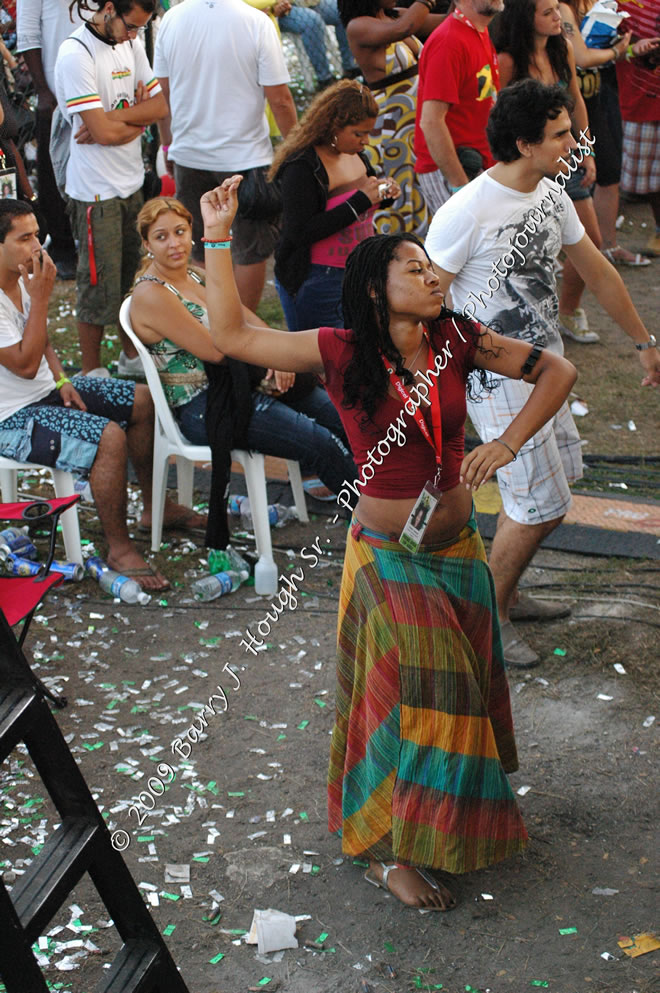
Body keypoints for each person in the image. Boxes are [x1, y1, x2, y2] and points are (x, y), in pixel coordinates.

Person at [197, 174, 581, 911]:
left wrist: (506, 443)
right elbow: (232, 335)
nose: (433, 276)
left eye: (432, 267)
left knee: (456, 693)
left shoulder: (459, 339)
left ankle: (440, 823)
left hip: (458, 550)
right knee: (411, 696)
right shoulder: (341, 349)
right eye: (415, 267)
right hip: (387, 558)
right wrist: (218, 235)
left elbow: (557, 370)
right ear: (376, 289)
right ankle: (384, 850)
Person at [425, 80, 660, 667]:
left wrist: (643, 341)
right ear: (526, 143)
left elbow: (598, 271)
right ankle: (490, 618)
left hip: (547, 369)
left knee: (540, 498)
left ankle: (507, 592)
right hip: (497, 381)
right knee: (540, 506)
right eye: (561, 134)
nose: (575, 141)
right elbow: (427, 304)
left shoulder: (552, 195)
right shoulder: (466, 212)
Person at [0, 200, 206, 592]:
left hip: (45, 393)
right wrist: (42, 296)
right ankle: (119, 548)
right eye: (23, 239)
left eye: (36, 237)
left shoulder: (21, 279)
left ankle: (153, 508)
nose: (36, 249)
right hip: (10, 417)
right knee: (107, 436)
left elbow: (40, 342)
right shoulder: (23, 286)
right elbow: (25, 364)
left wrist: (62, 381)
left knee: (142, 398)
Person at [129, 196, 358, 548]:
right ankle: (372, 527)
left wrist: (281, 355)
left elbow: (242, 315)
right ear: (146, 244)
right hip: (202, 405)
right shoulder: (152, 295)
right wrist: (271, 362)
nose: (174, 243)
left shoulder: (194, 273)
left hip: (239, 380)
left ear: (192, 232)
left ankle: (389, 499)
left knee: (345, 416)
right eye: (161, 237)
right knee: (321, 443)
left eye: (179, 231)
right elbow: (217, 348)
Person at [153, 0, 297, 312]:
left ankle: (211, 325)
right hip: (245, 157)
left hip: (190, 153)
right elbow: (281, 100)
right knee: (251, 249)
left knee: (200, 248)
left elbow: (162, 96)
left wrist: (168, 145)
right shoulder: (256, 22)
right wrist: (297, 150)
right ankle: (241, 331)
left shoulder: (171, 19)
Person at [53, 0, 167, 378]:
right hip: (94, 192)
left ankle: (131, 357)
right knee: (97, 286)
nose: (135, 35)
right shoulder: (76, 53)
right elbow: (98, 133)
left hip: (131, 180)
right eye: (130, 25)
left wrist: (115, 117)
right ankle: (92, 372)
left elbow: (161, 105)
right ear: (108, 9)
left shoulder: (132, 44)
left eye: (141, 28)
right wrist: (137, 118)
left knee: (132, 280)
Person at [493, 0, 602, 344]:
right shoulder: (508, 60)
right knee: (525, 249)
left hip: (565, 157)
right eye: (548, 12)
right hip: (526, 164)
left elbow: (576, 101)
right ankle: (529, 319)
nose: (559, 17)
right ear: (527, 19)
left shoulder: (562, 49)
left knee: (591, 240)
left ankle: (568, 309)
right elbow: (499, 116)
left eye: (557, 8)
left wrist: (586, 150)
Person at [270, 79, 400, 331]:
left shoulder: (356, 154)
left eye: (368, 133)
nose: (365, 141)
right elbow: (300, 231)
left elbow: (361, 205)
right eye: (358, 134)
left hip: (359, 271)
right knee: (322, 360)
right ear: (333, 126)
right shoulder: (302, 166)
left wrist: (383, 195)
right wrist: (360, 201)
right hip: (319, 279)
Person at [559, 0, 658, 266]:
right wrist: (617, 52)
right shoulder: (562, 8)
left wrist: (628, 50)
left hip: (595, 96)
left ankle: (608, 246)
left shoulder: (597, 3)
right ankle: (568, 252)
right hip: (566, 101)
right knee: (567, 179)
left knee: (610, 172)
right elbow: (582, 57)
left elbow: (600, 53)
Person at [338, 0, 444, 237]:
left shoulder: (397, 15)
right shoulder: (359, 27)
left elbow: (449, 22)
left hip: (416, 123)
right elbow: (403, 29)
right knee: (399, 197)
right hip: (391, 128)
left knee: (422, 191)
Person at [413, 0, 500, 216]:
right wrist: (460, 186)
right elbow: (431, 122)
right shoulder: (449, 41)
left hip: (476, 162)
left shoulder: (477, 31)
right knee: (471, 248)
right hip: (452, 169)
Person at [16, 0, 82, 281]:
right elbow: (28, 35)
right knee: (52, 168)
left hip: (94, 84)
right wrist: (43, 91)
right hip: (55, 92)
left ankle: (90, 241)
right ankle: (64, 245)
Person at [613, 0, 660, 258]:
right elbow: (598, 47)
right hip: (640, 99)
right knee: (649, 179)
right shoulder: (619, 5)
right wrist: (632, 49)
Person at [277, 0, 357, 89]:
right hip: (275, 11)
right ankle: (325, 80)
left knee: (344, 7)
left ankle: (351, 68)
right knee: (311, 21)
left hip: (307, 3)